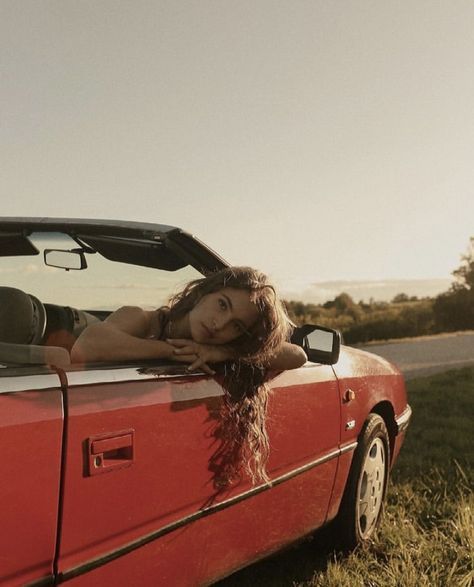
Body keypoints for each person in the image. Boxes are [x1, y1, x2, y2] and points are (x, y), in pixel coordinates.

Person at [71, 266, 307, 486]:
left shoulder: (221, 350)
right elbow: (87, 346)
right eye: (222, 305)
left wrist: (219, 352)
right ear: (201, 293)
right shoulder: (143, 320)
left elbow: (297, 355)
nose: (219, 324)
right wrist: (172, 352)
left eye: (236, 326)